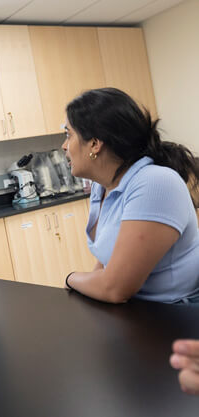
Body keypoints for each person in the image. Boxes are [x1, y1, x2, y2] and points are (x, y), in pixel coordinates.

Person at [62, 87, 199, 304]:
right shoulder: (103, 187)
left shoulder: (155, 183)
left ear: (95, 144)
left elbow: (115, 288)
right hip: (136, 313)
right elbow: (107, 264)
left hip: (175, 318)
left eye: (68, 135)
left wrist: (70, 279)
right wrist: (93, 282)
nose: (64, 146)